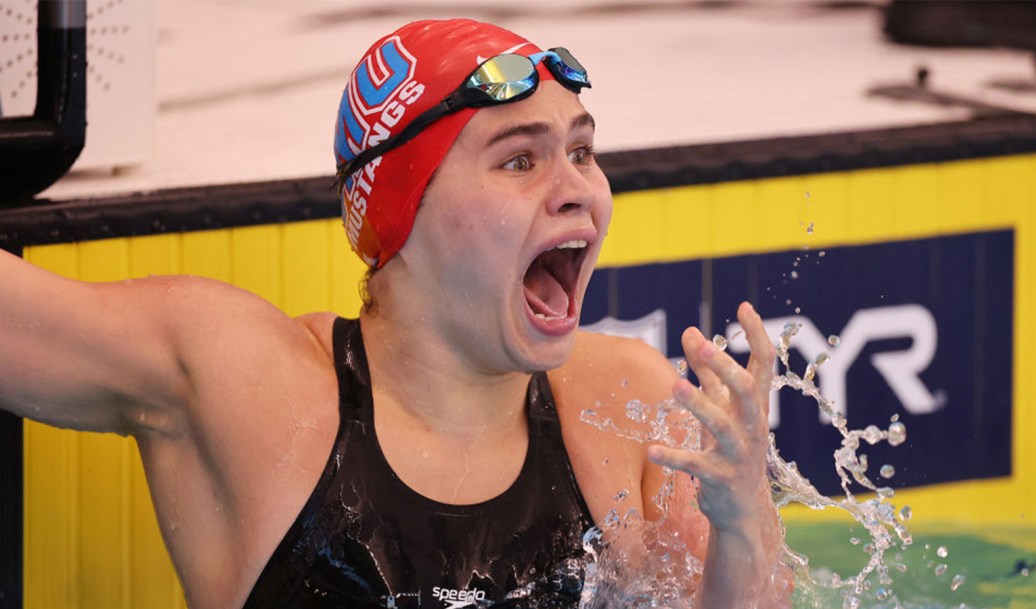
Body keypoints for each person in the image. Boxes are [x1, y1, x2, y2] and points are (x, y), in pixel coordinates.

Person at [0, 18, 789, 609]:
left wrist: (744, 515)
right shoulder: (253, 388)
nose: (578, 186)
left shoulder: (627, 405)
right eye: (520, 159)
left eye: (581, 151)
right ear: (400, 215)